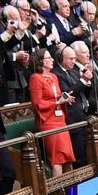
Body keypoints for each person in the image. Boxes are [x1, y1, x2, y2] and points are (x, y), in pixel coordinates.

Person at [29, 47, 76, 176]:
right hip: (48, 121)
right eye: (48, 58)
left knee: (68, 157)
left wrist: (65, 98)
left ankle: (70, 192)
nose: (51, 60)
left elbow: (57, 95)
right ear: (40, 61)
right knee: (57, 159)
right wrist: (57, 102)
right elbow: (37, 103)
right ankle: (59, 194)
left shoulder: (54, 76)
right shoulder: (35, 78)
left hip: (60, 120)